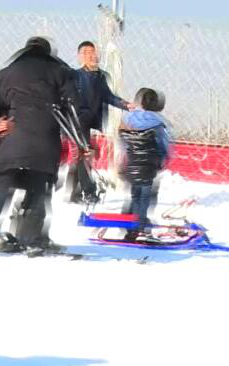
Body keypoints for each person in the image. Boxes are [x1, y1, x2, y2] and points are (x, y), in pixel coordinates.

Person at [0, 36, 82, 255]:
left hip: (12, 139)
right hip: (45, 142)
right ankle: (31, 240)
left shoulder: (11, 70)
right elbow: (74, 105)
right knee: (38, 192)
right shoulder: (61, 72)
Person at [68, 40, 134, 204]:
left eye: (93, 52)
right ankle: (89, 193)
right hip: (78, 121)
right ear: (80, 56)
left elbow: (108, 96)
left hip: (94, 120)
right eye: (86, 53)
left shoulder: (101, 76)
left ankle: (73, 193)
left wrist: (126, 105)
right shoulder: (74, 76)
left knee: (83, 157)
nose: (91, 55)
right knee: (85, 154)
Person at [119, 87, 172, 240]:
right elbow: (163, 144)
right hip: (149, 165)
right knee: (145, 197)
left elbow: (123, 140)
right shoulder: (159, 122)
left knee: (135, 196)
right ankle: (139, 227)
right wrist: (163, 159)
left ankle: (132, 226)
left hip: (132, 163)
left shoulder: (127, 119)